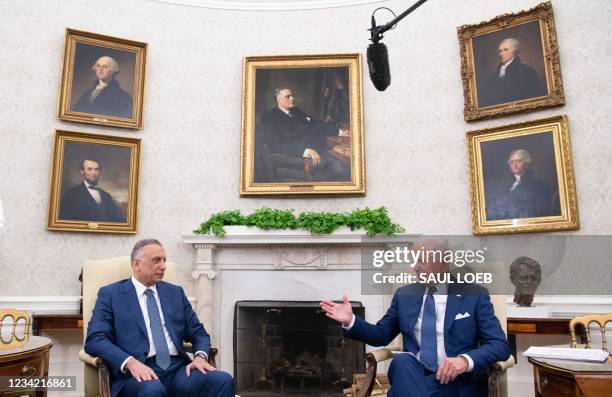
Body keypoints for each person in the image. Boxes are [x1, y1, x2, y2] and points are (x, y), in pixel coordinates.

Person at [320, 241, 510, 397]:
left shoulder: (474, 294)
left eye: (422, 261)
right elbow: (381, 335)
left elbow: (499, 345)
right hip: (412, 372)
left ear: (445, 261)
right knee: (402, 361)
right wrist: (351, 320)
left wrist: (464, 360)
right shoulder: (405, 295)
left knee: (400, 391)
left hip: (455, 381)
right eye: (414, 261)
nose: (415, 268)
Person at [85, 239, 235, 397]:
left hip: (178, 370)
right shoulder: (111, 294)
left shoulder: (175, 293)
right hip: (136, 373)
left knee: (223, 380)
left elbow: (198, 332)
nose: (163, 266)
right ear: (137, 265)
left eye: (164, 260)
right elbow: (95, 339)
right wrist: (130, 362)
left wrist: (200, 357)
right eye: (156, 260)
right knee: (153, 390)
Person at [261, 87, 350, 182]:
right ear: (278, 100)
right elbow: (275, 144)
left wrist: (339, 131)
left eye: (292, 96)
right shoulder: (271, 118)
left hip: (319, 149)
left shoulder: (296, 111)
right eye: (288, 96)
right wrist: (306, 150)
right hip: (300, 157)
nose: (292, 98)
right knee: (341, 169)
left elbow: (315, 124)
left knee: (343, 163)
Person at [486, 149, 557, 220]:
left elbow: (542, 210)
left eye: (519, 161)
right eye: (512, 162)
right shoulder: (505, 185)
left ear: (527, 163)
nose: (515, 165)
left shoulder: (539, 185)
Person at [478, 38, 547, 108]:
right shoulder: (493, 76)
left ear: (515, 52)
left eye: (506, 50)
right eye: (500, 51)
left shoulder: (527, 72)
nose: (501, 53)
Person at [59, 158, 124, 222]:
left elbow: (115, 219)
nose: (93, 173)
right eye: (89, 169)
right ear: (82, 171)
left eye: (96, 169)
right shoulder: (71, 194)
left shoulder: (106, 196)